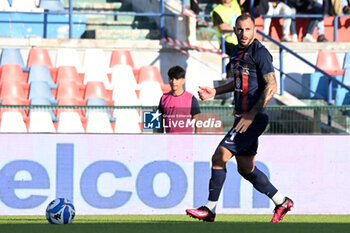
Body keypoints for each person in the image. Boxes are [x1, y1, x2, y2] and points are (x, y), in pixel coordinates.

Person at [185, 14, 293, 223]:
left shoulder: (260, 53)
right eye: (240, 29)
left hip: (254, 118)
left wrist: (252, 114)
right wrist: (215, 91)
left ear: (255, 30)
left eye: (248, 29)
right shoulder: (236, 50)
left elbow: (272, 86)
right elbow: (237, 80)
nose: (243, 34)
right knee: (245, 168)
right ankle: (282, 202)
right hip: (242, 118)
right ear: (235, 30)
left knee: (219, 156)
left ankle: (210, 209)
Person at [158, 66, 200, 134]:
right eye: (171, 79)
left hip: (186, 142)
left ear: (183, 80)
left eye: (177, 79)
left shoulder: (191, 99)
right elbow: (160, 123)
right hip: (169, 141)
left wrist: (196, 141)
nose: (174, 82)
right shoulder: (164, 98)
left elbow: (198, 124)